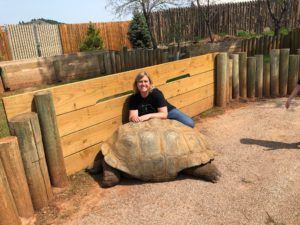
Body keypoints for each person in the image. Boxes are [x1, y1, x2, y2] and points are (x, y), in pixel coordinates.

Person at [128, 71, 195, 128]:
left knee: (190, 123)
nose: (143, 84)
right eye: (140, 82)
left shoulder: (156, 93)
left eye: (146, 81)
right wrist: (133, 118)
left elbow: (164, 114)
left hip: (167, 112)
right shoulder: (134, 98)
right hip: (151, 118)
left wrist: (148, 116)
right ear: (136, 84)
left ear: (150, 83)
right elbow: (132, 116)